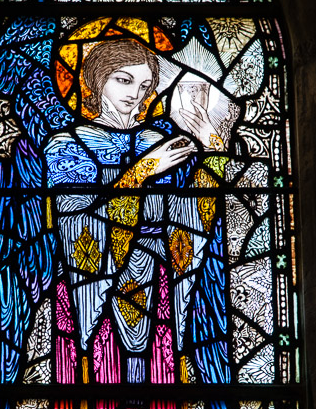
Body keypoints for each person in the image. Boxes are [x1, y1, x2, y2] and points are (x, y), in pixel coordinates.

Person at [44, 38, 223, 382]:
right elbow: (75, 223)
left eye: (144, 85)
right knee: (103, 375)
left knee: (160, 379)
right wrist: (142, 171)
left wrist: (212, 148)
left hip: (159, 280)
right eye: (123, 80)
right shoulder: (69, 144)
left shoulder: (155, 142)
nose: (135, 94)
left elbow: (188, 218)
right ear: (97, 79)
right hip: (96, 288)